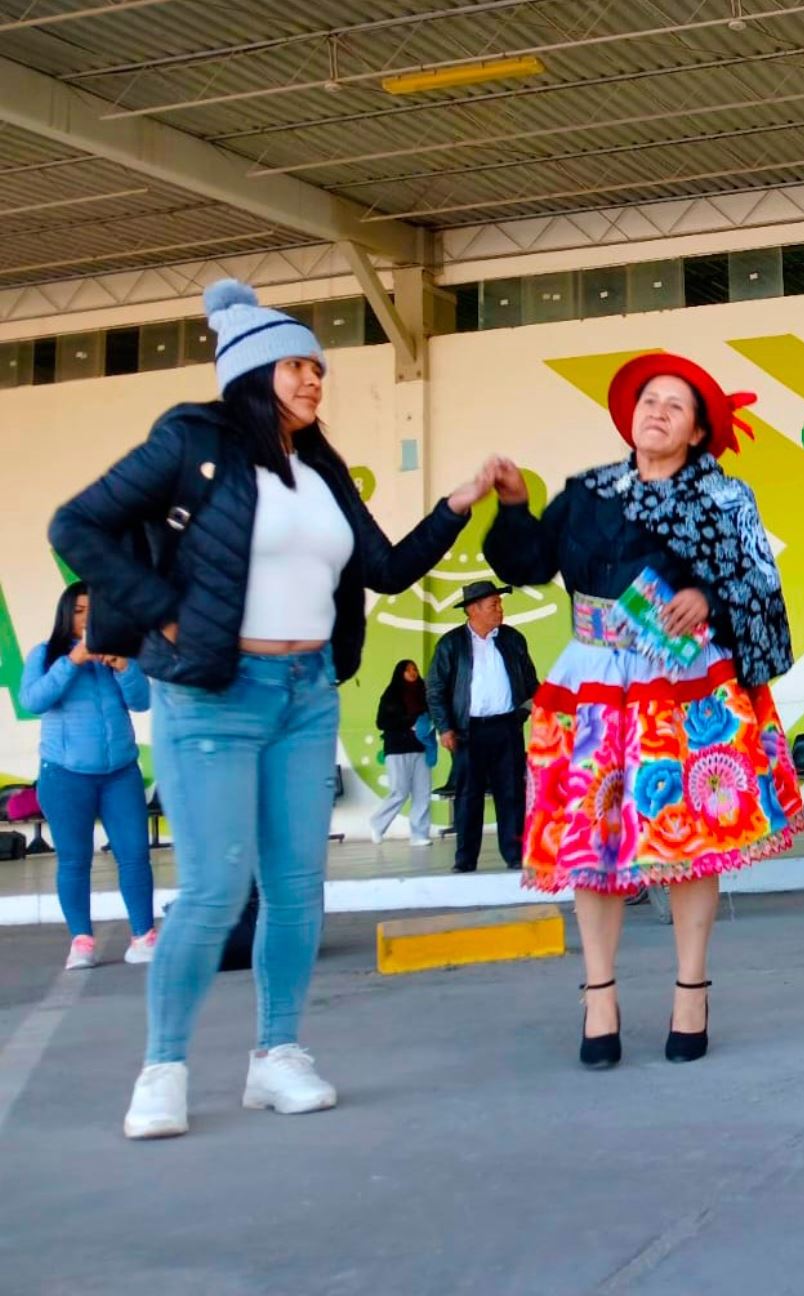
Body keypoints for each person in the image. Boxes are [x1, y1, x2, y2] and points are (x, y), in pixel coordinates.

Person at [49, 279, 489, 1140]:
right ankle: (163, 1069)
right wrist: (162, 610)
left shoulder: (319, 468)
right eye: (297, 365)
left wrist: (457, 504)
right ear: (252, 372)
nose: (314, 380)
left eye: (319, 368)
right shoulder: (192, 442)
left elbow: (387, 569)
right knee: (214, 889)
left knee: (296, 891)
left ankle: (276, 1056)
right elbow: (77, 526)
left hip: (306, 693)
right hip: (211, 694)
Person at [485, 351, 804, 1068]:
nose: (655, 412)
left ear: (697, 432)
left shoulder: (722, 499)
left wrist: (709, 600)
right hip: (594, 680)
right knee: (590, 842)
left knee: (688, 837)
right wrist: (511, 504)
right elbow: (530, 563)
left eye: (674, 405)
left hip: (682, 678)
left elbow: (758, 584)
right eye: (648, 400)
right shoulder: (588, 491)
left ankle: (692, 987)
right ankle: (599, 995)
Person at [20, 582, 156, 970]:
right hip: (64, 775)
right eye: (80, 610)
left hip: (120, 774)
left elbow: (141, 702)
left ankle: (143, 937)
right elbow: (32, 701)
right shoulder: (45, 654)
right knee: (75, 860)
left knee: (134, 855)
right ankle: (81, 942)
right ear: (67, 615)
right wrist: (72, 661)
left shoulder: (120, 651)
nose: (88, 617)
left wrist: (125, 668)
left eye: (95, 610)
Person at [426, 581, 538, 873]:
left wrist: (530, 710)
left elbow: (530, 683)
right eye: (493, 605)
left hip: (507, 728)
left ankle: (515, 855)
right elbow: (435, 689)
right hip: (467, 731)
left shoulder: (513, 640)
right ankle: (465, 859)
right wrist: (445, 727)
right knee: (467, 796)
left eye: (499, 604)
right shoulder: (451, 644)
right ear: (473, 610)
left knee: (512, 793)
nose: (500, 610)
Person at [369, 659, 435, 847]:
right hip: (397, 748)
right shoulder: (391, 694)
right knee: (399, 791)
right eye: (408, 670)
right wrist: (410, 721)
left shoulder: (425, 694)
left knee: (422, 793)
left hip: (421, 747)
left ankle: (419, 834)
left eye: (415, 669)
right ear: (400, 673)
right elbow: (382, 722)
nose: (413, 673)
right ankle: (378, 823)